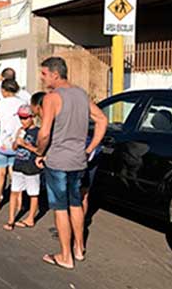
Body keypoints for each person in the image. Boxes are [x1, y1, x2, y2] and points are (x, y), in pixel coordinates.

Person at [35, 57, 107, 270]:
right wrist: (89, 148)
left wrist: (40, 151)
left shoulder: (51, 98)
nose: (43, 77)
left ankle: (65, 256)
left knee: (59, 207)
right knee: (76, 203)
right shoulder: (81, 94)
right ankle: (79, 248)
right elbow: (102, 119)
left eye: (44, 73)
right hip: (78, 160)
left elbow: (45, 132)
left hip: (58, 160)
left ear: (55, 74)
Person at [0, 79, 26, 211]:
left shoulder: (0, 103)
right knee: (16, 176)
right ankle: (19, 204)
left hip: (0, 143)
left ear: (3, 90)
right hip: (17, 143)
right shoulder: (23, 103)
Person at [3, 105, 42, 231]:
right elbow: (14, 147)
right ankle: (10, 219)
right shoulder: (20, 130)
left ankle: (30, 218)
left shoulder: (38, 132)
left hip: (31, 167)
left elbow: (40, 151)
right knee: (14, 192)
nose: (22, 121)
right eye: (20, 118)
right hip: (19, 165)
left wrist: (25, 145)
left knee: (33, 193)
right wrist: (17, 141)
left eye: (25, 118)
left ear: (32, 117)